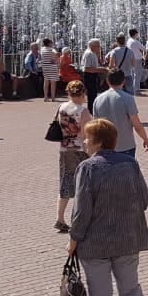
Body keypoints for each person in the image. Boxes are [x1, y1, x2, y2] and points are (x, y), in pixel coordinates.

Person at [67, 118, 148, 296]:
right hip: (128, 240)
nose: (85, 141)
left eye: (87, 138)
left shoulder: (87, 168)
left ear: (97, 142)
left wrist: (74, 239)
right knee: (131, 290)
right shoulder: (130, 164)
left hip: (95, 245)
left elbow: (81, 211)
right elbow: (145, 199)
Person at [55, 80, 91, 232]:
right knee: (82, 186)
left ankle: (60, 218)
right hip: (79, 150)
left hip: (64, 149)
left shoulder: (61, 107)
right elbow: (85, 134)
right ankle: (80, 219)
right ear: (82, 94)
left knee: (65, 184)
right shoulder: (82, 111)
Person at [92, 70, 148, 158]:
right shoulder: (128, 99)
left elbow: (95, 125)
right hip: (126, 145)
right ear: (123, 81)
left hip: (104, 146)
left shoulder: (98, 99)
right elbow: (136, 124)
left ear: (107, 81)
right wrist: (145, 138)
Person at [80, 39, 107, 112]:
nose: (99, 47)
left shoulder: (92, 53)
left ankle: (92, 110)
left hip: (91, 75)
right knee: (91, 95)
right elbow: (86, 68)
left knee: (93, 94)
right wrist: (100, 69)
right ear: (93, 46)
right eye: (98, 46)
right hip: (89, 76)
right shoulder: (89, 54)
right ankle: (91, 111)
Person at [126, 28, 145, 95]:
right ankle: (136, 90)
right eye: (137, 33)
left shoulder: (128, 41)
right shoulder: (135, 41)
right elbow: (143, 48)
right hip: (137, 59)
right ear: (135, 34)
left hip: (130, 59)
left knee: (132, 75)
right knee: (137, 75)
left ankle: (133, 90)